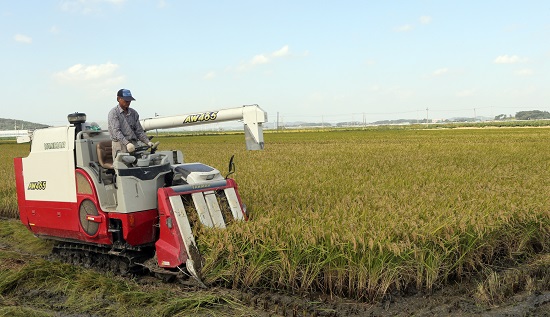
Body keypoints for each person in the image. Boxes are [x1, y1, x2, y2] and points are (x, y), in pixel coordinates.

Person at [108, 89, 153, 159]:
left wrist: (147, 142)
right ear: (119, 99)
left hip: (133, 144)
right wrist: (127, 143)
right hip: (120, 145)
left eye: (129, 100)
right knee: (123, 166)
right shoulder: (114, 113)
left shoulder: (133, 113)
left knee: (136, 165)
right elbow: (116, 132)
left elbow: (139, 131)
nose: (128, 102)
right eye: (126, 100)